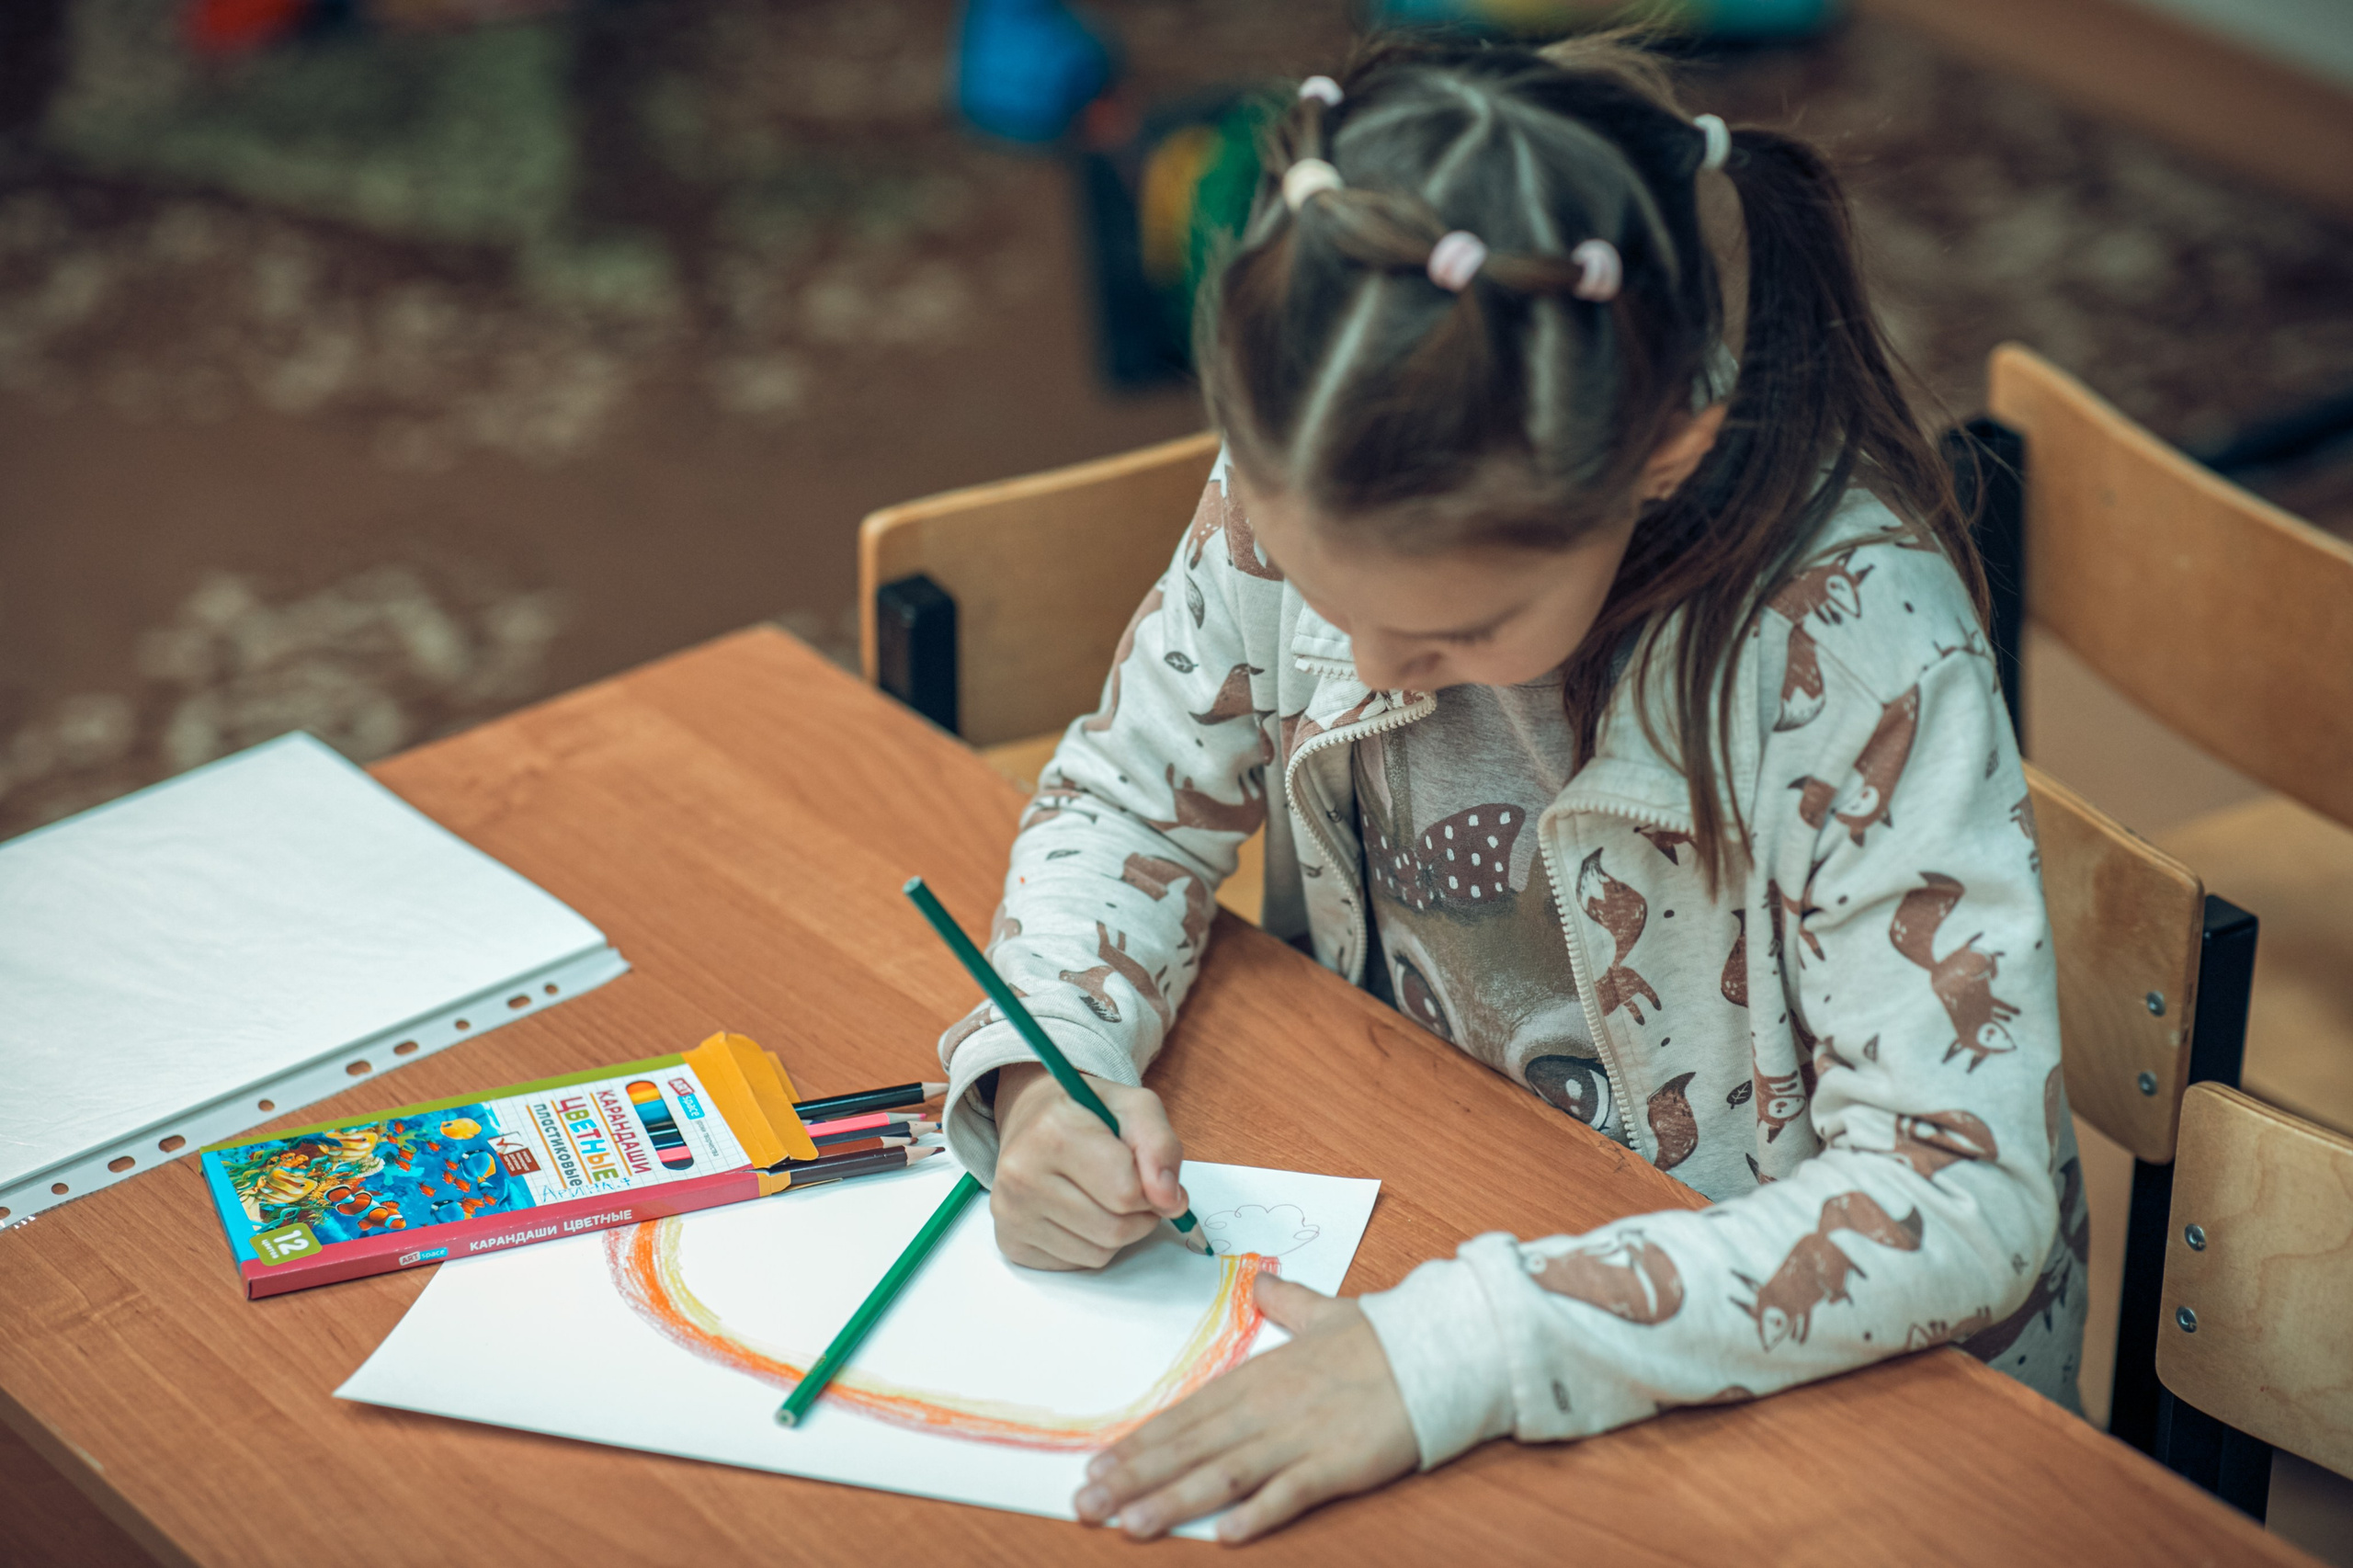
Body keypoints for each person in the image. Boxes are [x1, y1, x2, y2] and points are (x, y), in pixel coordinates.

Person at [934, 31, 2086, 1542]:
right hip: (1459, 1213)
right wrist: (1044, 1071)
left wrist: (1462, 1349)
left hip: (1819, 1403)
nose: (1368, 664)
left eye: (1458, 630)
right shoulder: (1312, 475)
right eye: (1321, 589)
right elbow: (1128, 800)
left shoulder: (1852, 643)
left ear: (1661, 453)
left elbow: (1961, 1197)